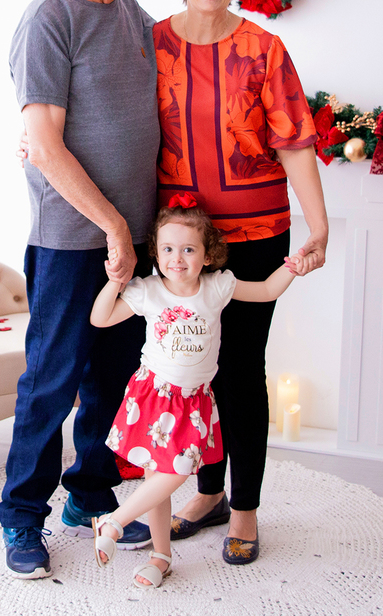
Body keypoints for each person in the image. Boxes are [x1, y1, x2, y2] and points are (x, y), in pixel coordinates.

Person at [156, 0, 328, 565]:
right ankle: (205, 493)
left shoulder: (264, 49)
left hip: (257, 232)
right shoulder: (152, 45)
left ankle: (246, 510)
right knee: (191, 367)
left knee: (239, 372)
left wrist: (319, 223)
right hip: (180, 243)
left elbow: (295, 143)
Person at [0, 0, 159, 580]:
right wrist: (113, 225)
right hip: (72, 240)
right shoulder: (48, 20)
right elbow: (44, 143)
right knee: (53, 380)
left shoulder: (137, 20)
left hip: (139, 240)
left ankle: (89, 493)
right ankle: (21, 514)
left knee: (116, 380)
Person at [88, 196, 302, 588]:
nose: (177, 259)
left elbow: (268, 290)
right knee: (159, 479)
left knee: (176, 470)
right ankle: (161, 556)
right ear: (157, 252)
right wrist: (115, 281)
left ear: (207, 255)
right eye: (168, 249)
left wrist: (292, 267)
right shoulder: (149, 291)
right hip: (153, 395)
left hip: (193, 402)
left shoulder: (217, 287)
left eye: (189, 249)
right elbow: (100, 319)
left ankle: (115, 521)